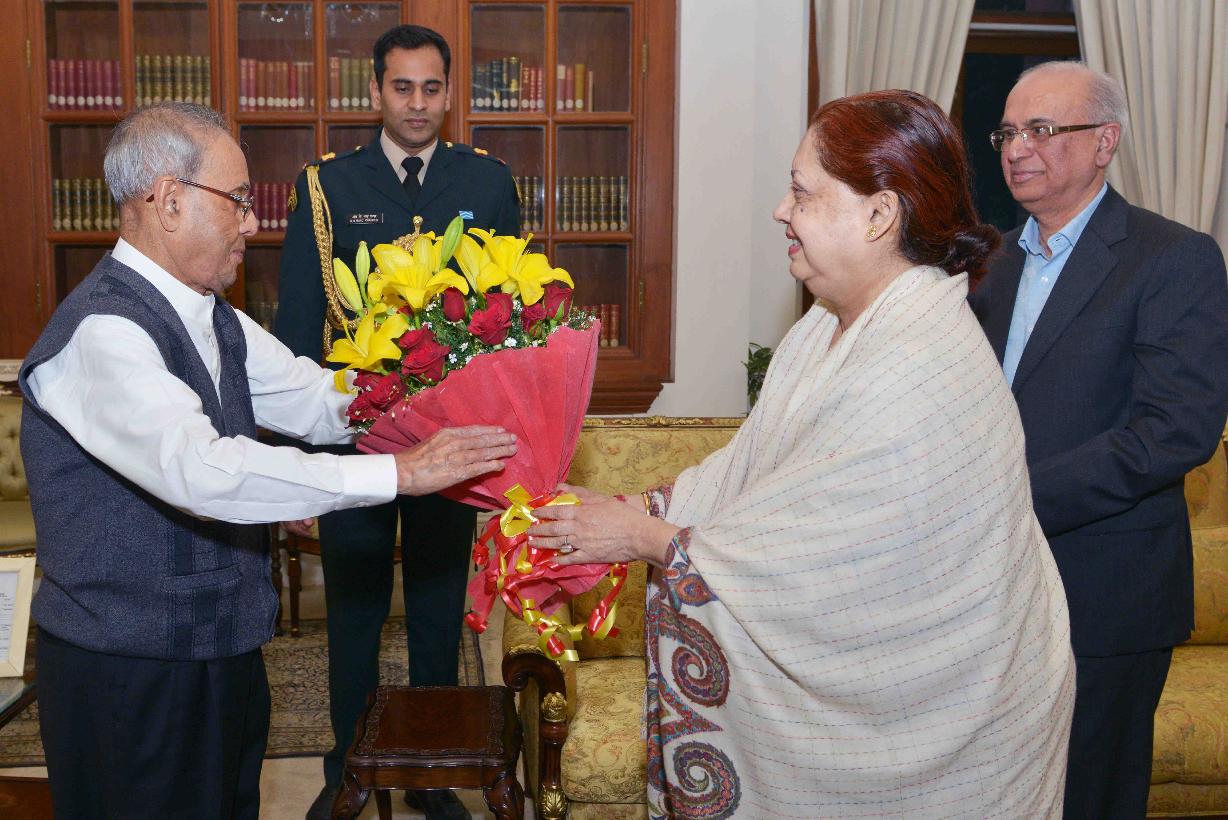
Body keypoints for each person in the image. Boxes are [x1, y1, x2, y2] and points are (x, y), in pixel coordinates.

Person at [530, 90, 1075, 817]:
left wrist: (643, 538)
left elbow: (818, 561)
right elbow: (758, 472)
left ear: (879, 215)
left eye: (802, 193)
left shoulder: (919, 362)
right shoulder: (828, 323)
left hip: (946, 726)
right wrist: (639, 507)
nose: (781, 211)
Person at [17, 102, 516, 820]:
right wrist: (401, 474)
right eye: (239, 200)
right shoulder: (104, 332)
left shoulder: (212, 315)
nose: (253, 223)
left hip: (223, 653)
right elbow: (203, 471)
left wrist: (446, 389)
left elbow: (316, 398)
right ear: (168, 201)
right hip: (130, 672)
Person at [273, 23, 521, 820]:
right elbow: (297, 331)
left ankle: (429, 774)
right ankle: (349, 769)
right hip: (352, 438)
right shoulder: (328, 187)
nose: (417, 103)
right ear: (377, 91)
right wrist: (296, 463)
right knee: (354, 611)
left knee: (438, 616)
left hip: (449, 443)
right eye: (402, 87)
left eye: (431, 88)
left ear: (449, 93)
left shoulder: (486, 183)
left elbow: (510, 326)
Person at [969, 61, 1228, 818]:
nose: (1018, 148)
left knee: (1091, 797)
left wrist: (1012, 497)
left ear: (1104, 141)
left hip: (1106, 591)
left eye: (1042, 129)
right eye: (1008, 132)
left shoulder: (1172, 257)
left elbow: (1175, 430)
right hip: (985, 589)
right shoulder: (987, 266)